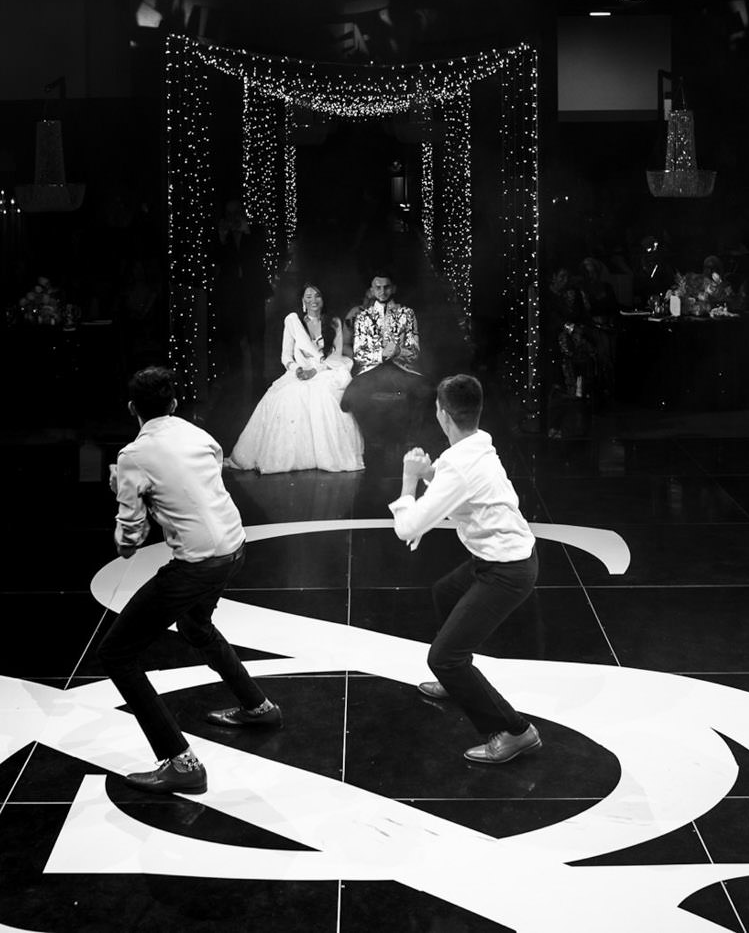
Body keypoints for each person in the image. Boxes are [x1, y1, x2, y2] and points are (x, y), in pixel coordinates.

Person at [96, 366, 281, 795]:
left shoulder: (132, 457)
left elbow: (129, 541)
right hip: (235, 547)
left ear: (132, 408)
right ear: (175, 403)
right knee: (196, 626)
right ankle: (259, 707)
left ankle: (181, 763)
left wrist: (122, 488)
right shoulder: (200, 435)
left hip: (197, 564)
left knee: (116, 654)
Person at [392, 374, 543, 765]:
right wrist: (429, 473)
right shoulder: (475, 446)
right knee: (444, 592)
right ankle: (457, 679)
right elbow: (454, 486)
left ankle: (515, 731)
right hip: (497, 559)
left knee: (443, 657)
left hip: (507, 571)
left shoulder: (461, 462)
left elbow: (407, 527)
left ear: (442, 414)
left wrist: (409, 480)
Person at [229, 285, 364, 473]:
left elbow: (335, 355)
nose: (313, 301)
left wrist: (315, 371)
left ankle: (326, 456)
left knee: (325, 396)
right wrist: (297, 369)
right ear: (302, 301)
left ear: (323, 299)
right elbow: (286, 356)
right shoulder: (293, 322)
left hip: (326, 369)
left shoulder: (333, 322)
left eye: (317, 296)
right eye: (308, 297)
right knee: (285, 396)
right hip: (300, 371)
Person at [340, 273, 427, 448]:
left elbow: (415, 351)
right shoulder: (363, 316)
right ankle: (373, 441)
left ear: (393, 288)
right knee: (352, 397)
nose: (382, 291)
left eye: (386, 287)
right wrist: (381, 355)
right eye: (378, 287)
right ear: (372, 290)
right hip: (371, 370)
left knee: (427, 392)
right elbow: (359, 352)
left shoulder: (407, 313)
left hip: (401, 368)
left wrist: (398, 351)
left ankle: (410, 440)